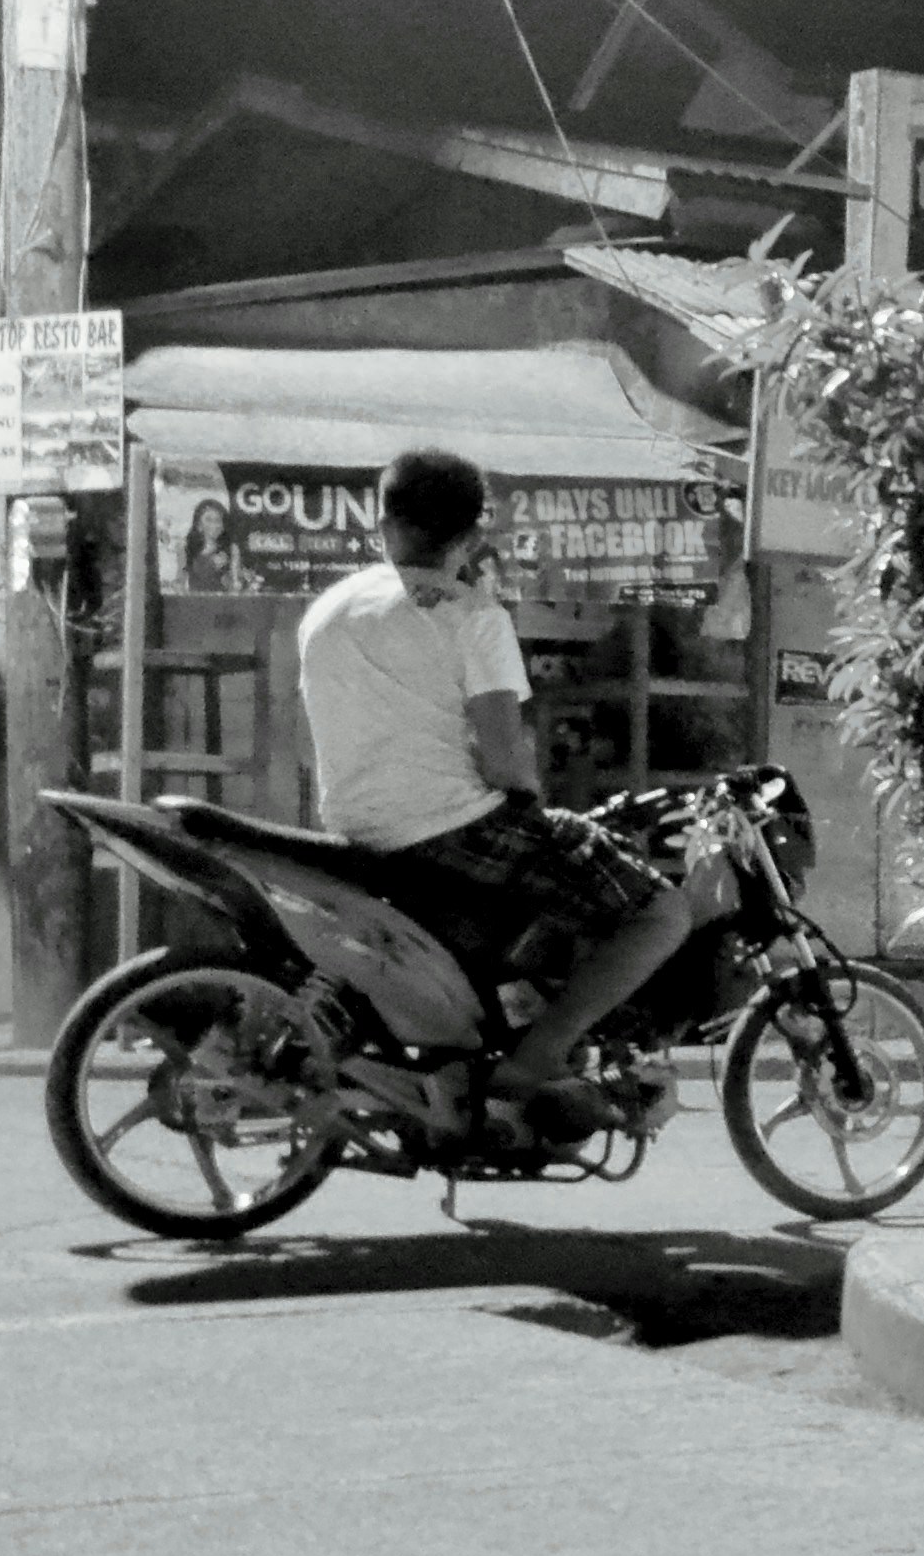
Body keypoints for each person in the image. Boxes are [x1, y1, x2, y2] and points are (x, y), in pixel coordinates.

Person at [294, 446, 724, 1141]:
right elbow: (503, 760)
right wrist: (534, 798)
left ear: (383, 524)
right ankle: (541, 1054)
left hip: (352, 827)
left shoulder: (328, 611)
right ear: (470, 538)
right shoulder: (473, 617)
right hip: (456, 828)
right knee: (661, 912)